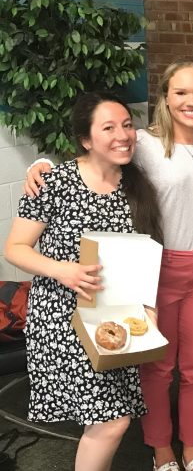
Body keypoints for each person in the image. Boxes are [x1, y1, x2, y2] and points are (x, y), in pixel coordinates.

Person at [27, 59, 193, 471]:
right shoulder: (144, 144)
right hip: (158, 268)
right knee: (157, 369)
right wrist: (39, 165)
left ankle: (192, 452)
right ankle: (162, 453)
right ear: (165, 99)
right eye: (182, 93)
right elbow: (95, 156)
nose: (192, 101)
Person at [4, 92, 164, 471]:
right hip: (63, 319)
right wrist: (65, 270)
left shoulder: (137, 187)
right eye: (108, 127)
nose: (123, 135)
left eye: (127, 125)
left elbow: (143, 256)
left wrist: (148, 311)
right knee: (113, 421)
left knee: (108, 418)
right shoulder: (53, 183)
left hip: (114, 318)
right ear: (86, 139)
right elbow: (15, 248)